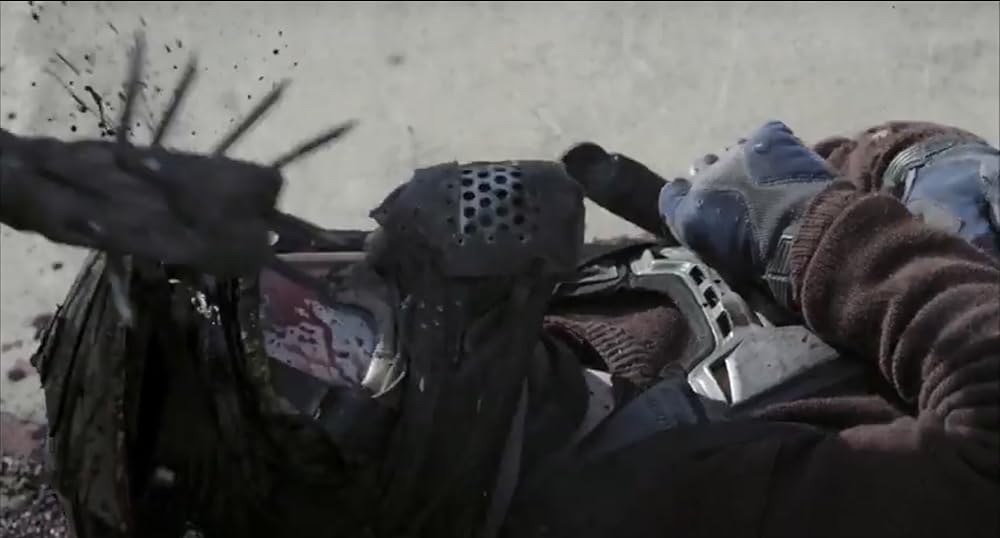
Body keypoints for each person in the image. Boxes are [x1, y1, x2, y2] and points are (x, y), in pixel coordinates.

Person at [1, 118, 997, 538]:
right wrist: (827, 234)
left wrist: (885, 167)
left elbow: (786, 207)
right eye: (334, 345)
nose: (375, 271)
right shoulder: (656, 505)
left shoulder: (528, 373)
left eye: (307, 290)